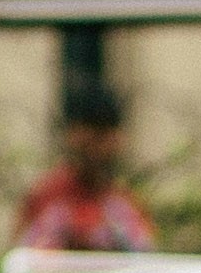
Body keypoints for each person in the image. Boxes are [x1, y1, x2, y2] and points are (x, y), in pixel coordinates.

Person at [13, 75, 153, 253]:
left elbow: (145, 261)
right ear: (72, 136)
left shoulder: (124, 204)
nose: (98, 148)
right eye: (92, 138)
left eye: (105, 137)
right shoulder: (49, 197)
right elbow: (25, 259)